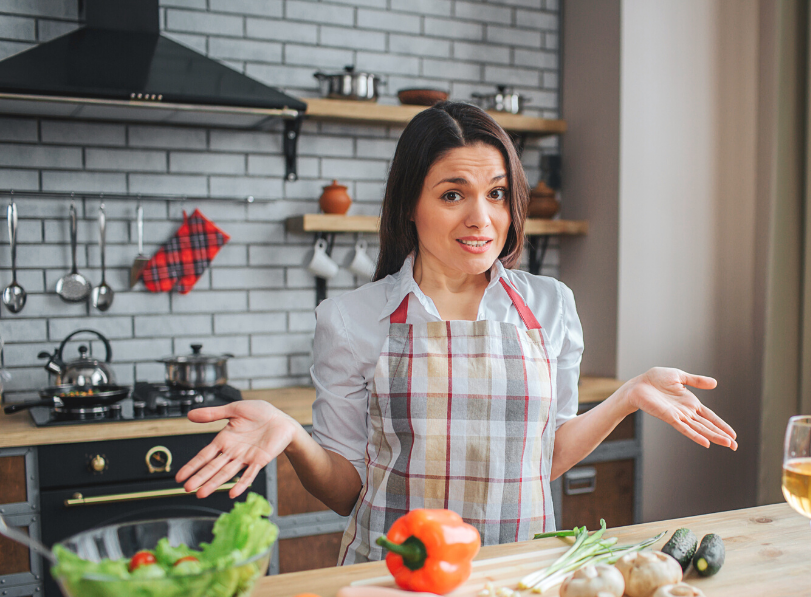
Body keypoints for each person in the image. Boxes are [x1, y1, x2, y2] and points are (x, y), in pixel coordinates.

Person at [175, 102, 737, 566]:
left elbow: (544, 457)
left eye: (496, 193)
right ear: (410, 206)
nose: (481, 219)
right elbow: (345, 492)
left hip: (520, 574)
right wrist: (292, 434)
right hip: (397, 578)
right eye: (452, 195)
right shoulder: (349, 319)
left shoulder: (549, 305)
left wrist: (627, 396)